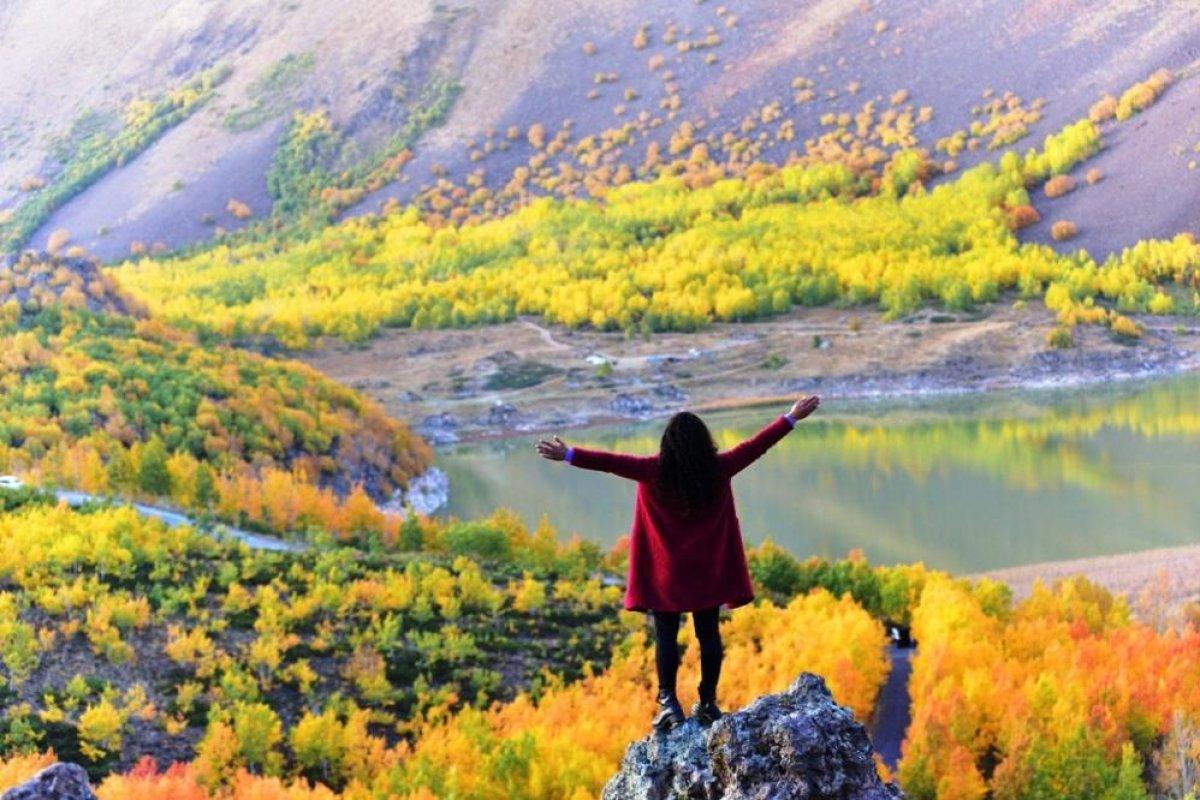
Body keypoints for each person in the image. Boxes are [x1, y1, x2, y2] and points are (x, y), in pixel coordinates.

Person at [536, 395, 820, 731]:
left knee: (666, 637)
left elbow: (609, 462)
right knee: (708, 635)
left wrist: (568, 454)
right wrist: (790, 418)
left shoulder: (651, 471)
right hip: (707, 575)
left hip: (665, 577)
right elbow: (757, 446)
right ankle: (707, 702)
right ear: (704, 442)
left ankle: (668, 701)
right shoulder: (720, 468)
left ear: (667, 444)